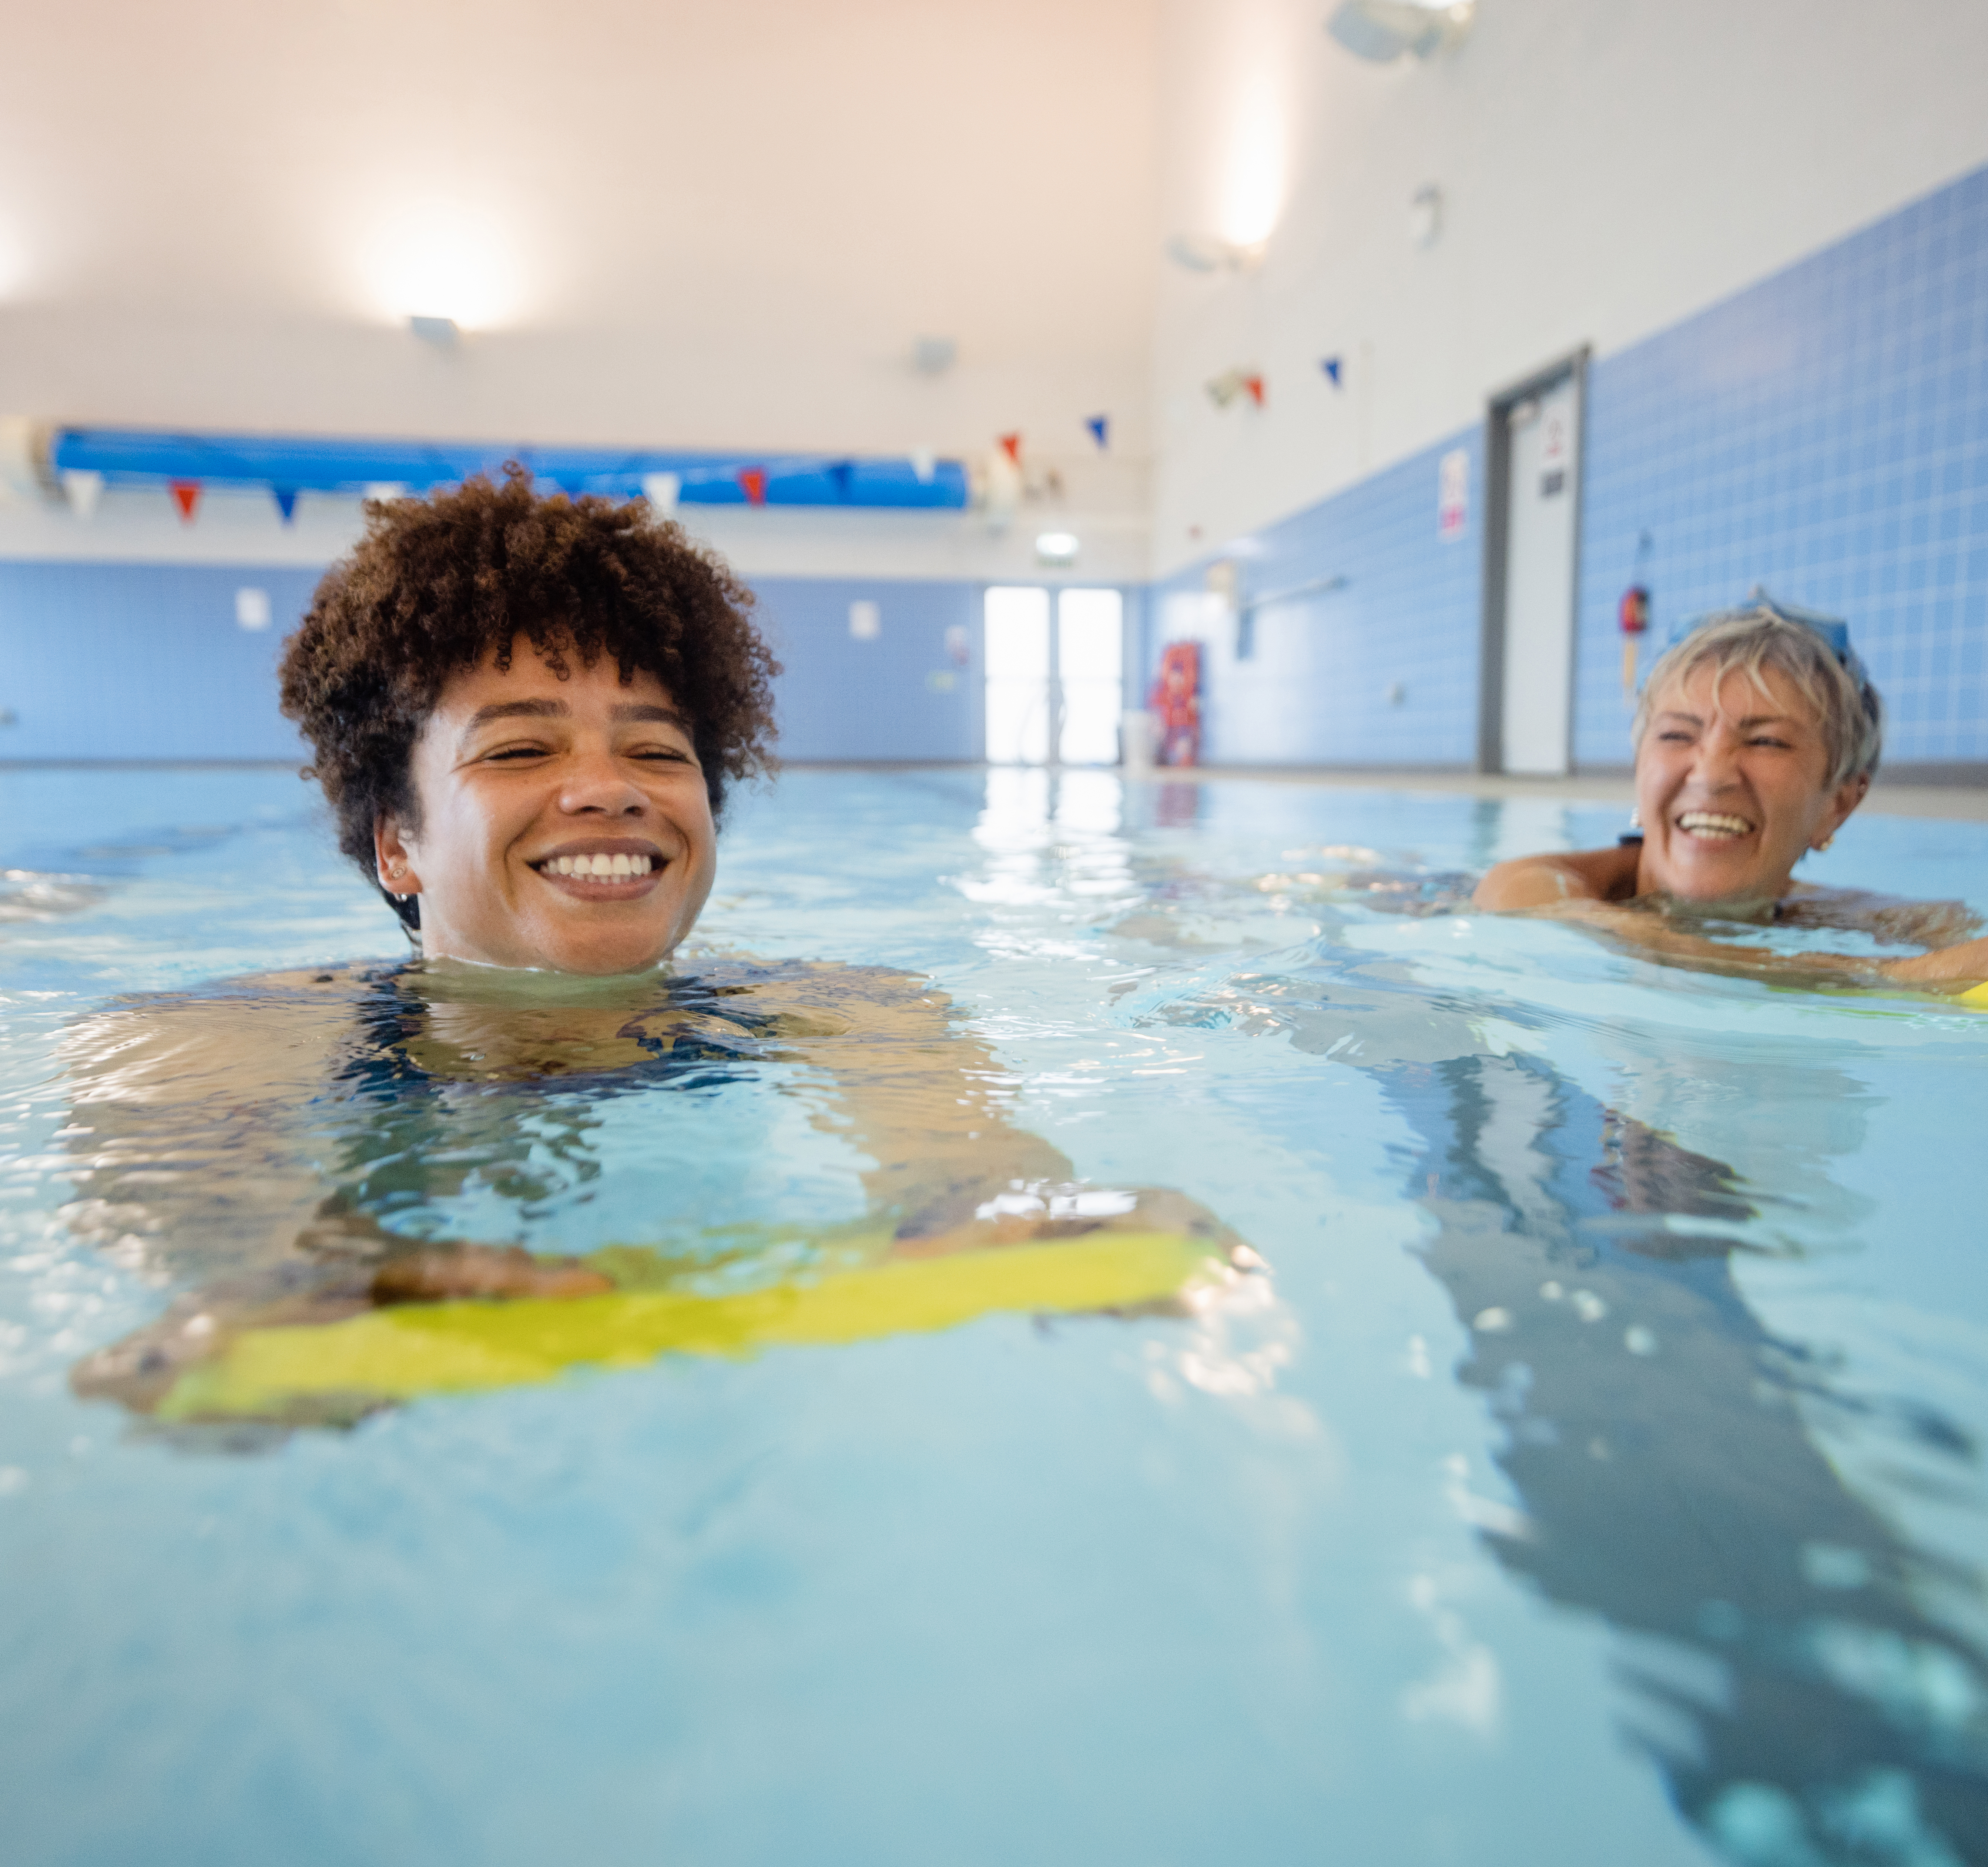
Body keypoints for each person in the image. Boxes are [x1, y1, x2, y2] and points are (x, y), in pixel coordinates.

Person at [67, 474, 1240, 1426]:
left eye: (659, 752)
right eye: (520, 750)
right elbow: (201, 1207)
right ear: (397, 847)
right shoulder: (219, 1036)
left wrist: (1030, 1211)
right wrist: (314, 1273)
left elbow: (972, 1171)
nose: (607, 789)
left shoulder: (849, 1009)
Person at [1473, 596, 1988, 990]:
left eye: (1767, 741)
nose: (1712, 775)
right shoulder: (1531, 887)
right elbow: (1643, 948)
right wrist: (1900, 978)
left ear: (1838, 804)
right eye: (1677, 735)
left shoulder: (1841, 916)